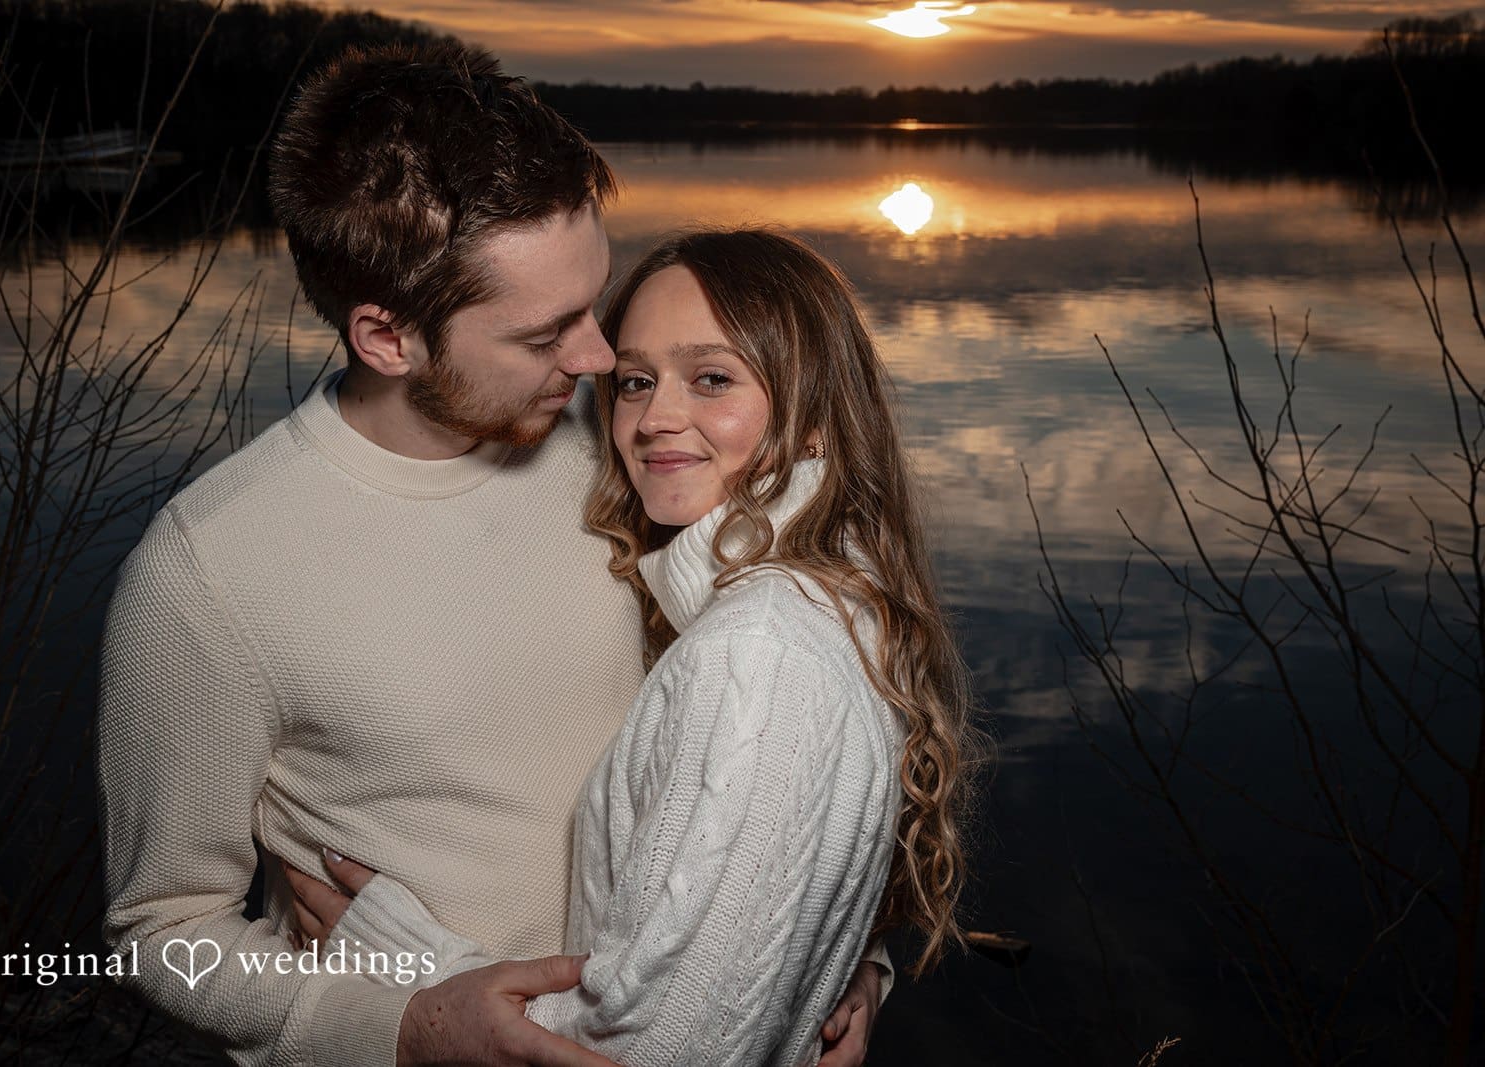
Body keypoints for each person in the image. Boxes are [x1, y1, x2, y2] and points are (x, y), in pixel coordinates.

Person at [96, 42, 888, 1067]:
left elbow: (784, 743)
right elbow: (164, 934)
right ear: (387, 338)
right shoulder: (207, 572)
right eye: (545, 333)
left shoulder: (630, 458)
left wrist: (833, 953)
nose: (602, 363)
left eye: (593, 306)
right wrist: (404, 1026)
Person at [285, 229, 984, 1066]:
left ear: (815, 424)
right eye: (636, 381)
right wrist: (847, 962)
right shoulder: (834, 600)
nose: (655, 418)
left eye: (712, 378)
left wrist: (407, 957)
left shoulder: (757, 654)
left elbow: (654, 1050)